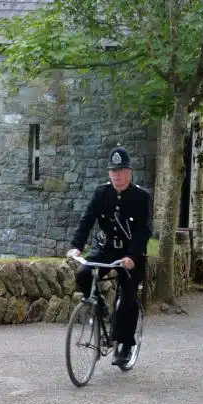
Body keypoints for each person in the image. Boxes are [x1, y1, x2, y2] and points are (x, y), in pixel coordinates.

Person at [67, 146, 152, 366]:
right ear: (109, 173)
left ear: (129, 172)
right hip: (107, 250)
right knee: (84, 275)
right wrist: (77, 246)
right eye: (113, 171)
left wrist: (132, 256)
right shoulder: (101, 193)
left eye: (122, 170)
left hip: (131, 254)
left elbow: (144, 230)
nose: (117, 175)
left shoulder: (141, 197)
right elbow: (87, 220)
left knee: (127, 299)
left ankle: (125, 345)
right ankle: (101, 307)